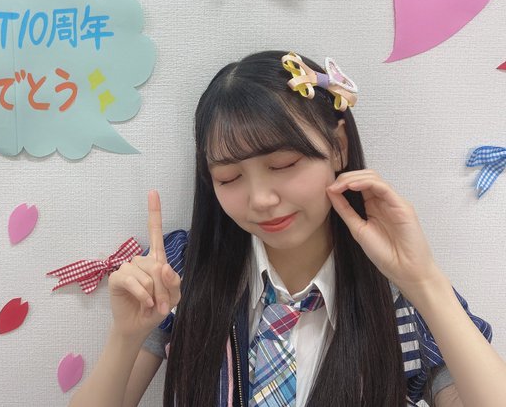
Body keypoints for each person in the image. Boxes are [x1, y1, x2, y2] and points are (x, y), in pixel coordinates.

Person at [69, 50, 504, 407]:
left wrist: (423, 282)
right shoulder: (183, 272)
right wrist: (125, 337)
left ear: (338, 147)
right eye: (229, 178)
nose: (261, 199)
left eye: (283, 164)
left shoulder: (399, 296)